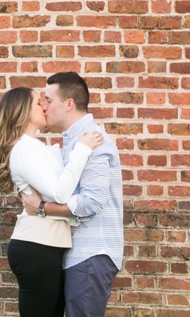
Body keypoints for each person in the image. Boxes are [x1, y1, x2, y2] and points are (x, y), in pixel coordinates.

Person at [0, 86, 104, 317]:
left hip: (46, 246)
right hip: (36, 247)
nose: (43, 106)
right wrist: (82, 150)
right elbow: (59, 192)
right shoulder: (23, 149)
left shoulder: (34, 147)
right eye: (37, 102)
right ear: (22, 112)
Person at [19, 72, 125, 317]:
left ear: (69, 104)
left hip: (91, 252)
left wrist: (43, 207)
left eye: (48, 99)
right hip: (77, 253)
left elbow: (92, 202)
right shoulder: (74, 140)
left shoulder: (94, 141)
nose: (43, 106)